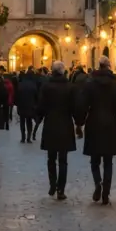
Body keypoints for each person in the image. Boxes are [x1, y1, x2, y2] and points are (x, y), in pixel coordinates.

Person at [77, 56, 116, 205]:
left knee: (95, 160)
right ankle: (106, 191)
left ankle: (98, 183)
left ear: (98, 66)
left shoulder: (90, 83)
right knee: (108, 161)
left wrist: (79, 122)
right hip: (110, 123)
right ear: (109, 66)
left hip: (94, 123)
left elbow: (83, 105)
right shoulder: (115, 84)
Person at [37, 61, 79, 200]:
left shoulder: (46, 86)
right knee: (63, 160)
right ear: (63, 71)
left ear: (52, 71)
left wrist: (38, 117)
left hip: (50, 124)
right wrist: (79, 123)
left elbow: (41, 105)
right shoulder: (70, 87)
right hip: (65, 125)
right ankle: (61, 189)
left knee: (51, 158)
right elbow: (74, 107)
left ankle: (52, 184)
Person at [16, 67, 39, 143]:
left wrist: (17, 104)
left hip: (22, 105)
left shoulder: (21, 83)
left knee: (22, 121)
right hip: (30, 105)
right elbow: (36, 96)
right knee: (29, 121)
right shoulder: (33, 84)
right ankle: (29, 137)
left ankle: (23, 137)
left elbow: (17, 95)